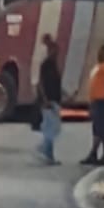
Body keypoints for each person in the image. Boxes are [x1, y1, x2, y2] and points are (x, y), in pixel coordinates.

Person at [83, 45, 104, 166]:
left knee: (103, 129)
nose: (99, 55)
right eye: (99, 52)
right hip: (96, 102)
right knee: (98, 129)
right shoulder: (97, 68)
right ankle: (94, 153)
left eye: (102, 53)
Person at [35, 34, 62, 164]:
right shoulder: (46, 65)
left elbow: (57, 84)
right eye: (55, 51)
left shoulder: (54, 66)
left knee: (53, 129)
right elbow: (40, 83)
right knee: (51, 129)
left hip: (54, 101)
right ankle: (47, 153)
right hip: (49, 102)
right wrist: (44, 100)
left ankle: (45, 151)